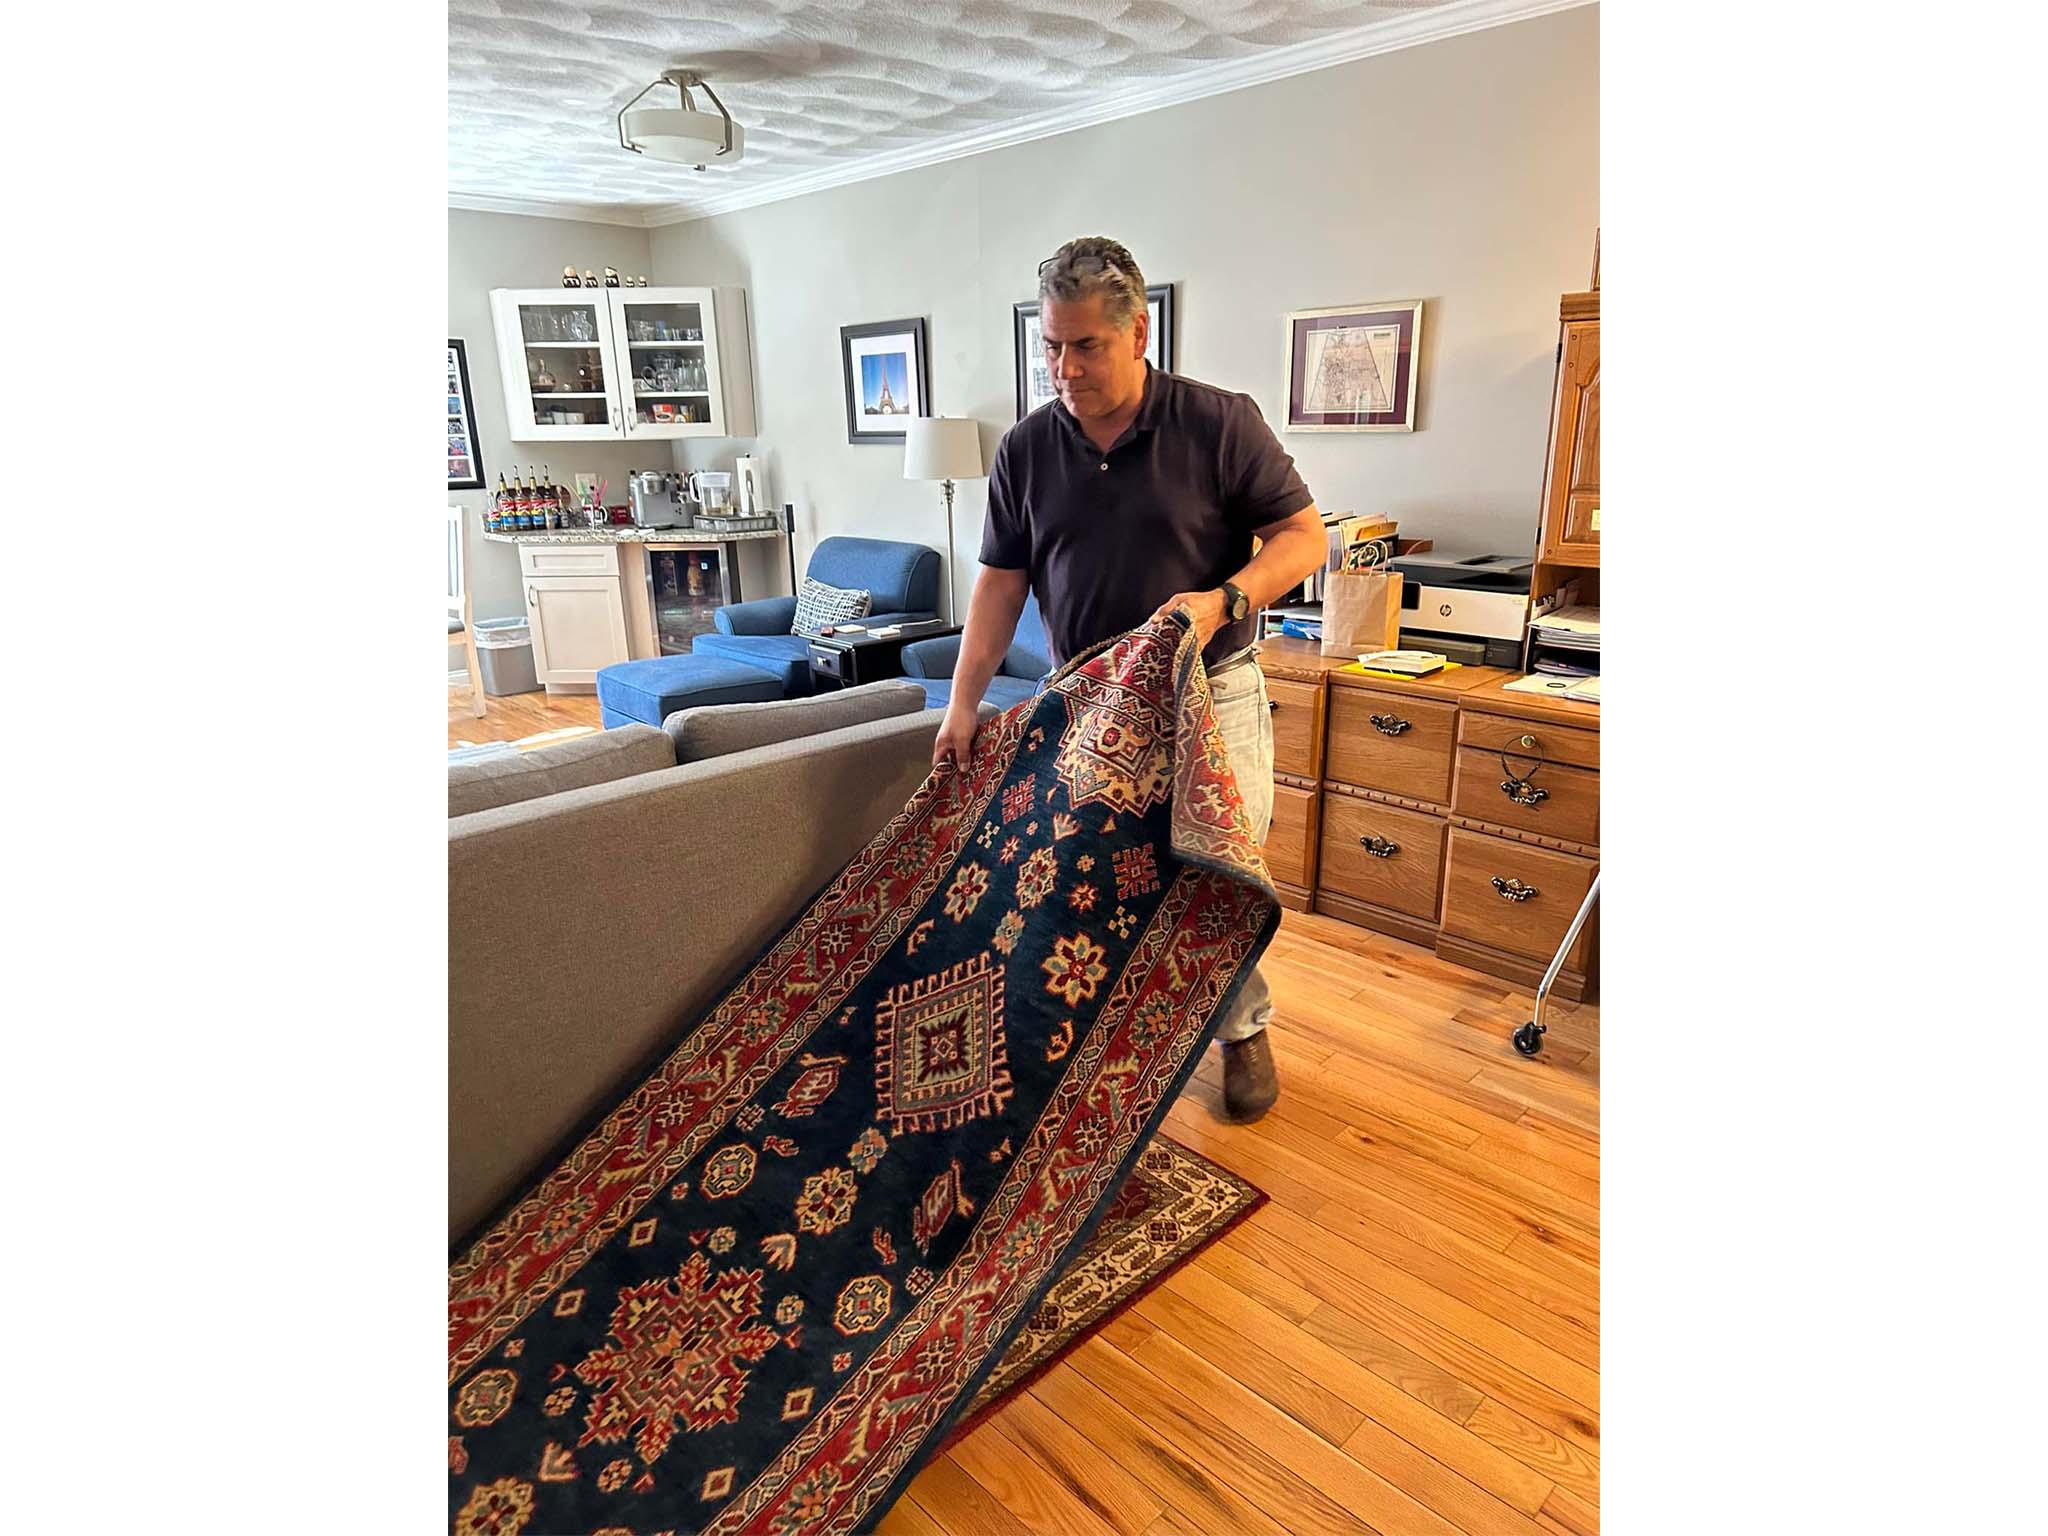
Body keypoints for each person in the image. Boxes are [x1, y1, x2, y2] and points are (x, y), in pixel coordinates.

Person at [931, 236, 1329, 1122]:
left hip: (1211, 694)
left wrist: (1224, 600)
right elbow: (1000, 585)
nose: (1065, 369)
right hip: (1085, 704)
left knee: (1215, 880)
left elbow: (1305, 538)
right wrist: (962, 703)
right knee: (1093, 880)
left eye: (1086, 346)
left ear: (1138, 333)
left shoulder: (1219, 423)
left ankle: (1242, 1029)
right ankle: (1104, 1049)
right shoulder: (1026, 449)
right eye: (1051, 347)